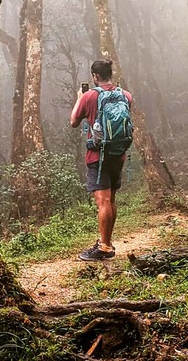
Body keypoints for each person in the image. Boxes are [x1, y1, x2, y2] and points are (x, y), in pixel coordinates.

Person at [70, 60, 133, 261]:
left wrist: (79, 99)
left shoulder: (90, 96)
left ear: (95, 76)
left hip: (98, 155)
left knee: (103, 200)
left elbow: (73, 122)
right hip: (119, 153)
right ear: (111, 74)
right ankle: (107, 241)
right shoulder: (126, 95)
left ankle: (105, 246)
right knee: (111, 199)